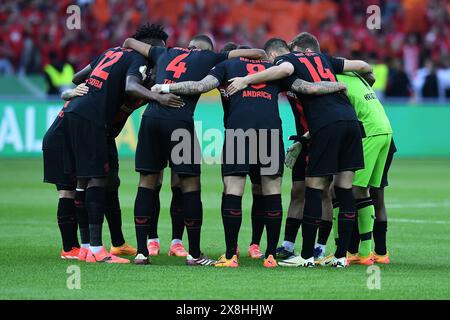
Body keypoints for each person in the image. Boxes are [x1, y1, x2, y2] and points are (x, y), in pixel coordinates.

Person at [152, 41, 346, 267]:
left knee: (234, 188)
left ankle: (230, 256)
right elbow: (305, 86)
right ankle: (271, 256)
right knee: (271, 190)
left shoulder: (227, 65)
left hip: (239, 128)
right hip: (270, 129)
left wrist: (166, 88)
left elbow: (200, 86)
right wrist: (337, 85)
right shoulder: (273, 67)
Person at [228, 34, 372, 268]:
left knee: (314, 189)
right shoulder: (326, 59)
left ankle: (306, 257)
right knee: (345, 190)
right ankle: (341, 256)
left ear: (294, 49)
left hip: (325, 125)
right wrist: (368, 79)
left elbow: (285, 70)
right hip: (352, 123)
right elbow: (365, 66)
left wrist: (246, 80)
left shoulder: (289, 59)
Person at [122, 34, 267, 265]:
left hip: (150, 118)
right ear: (207, 49)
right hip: (179, 121)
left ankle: (141, 252)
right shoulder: (210, 56)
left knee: (146, 182)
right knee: (190, 184)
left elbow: (129, 42)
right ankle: (195, 254)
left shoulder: (164, 52)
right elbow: (257, 53)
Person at [57, 24, 183, 264]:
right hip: (93, 118)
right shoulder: (139, 59)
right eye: (161, 52)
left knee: (88, 181)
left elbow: (76, 78)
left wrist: (86, 90)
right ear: (151, 48)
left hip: (78, 113)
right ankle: (96, 250)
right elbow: (130, 86)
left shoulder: (111, 52)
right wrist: (158, 96)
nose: (162, 58)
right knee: (96, 179)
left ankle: (87, 247)